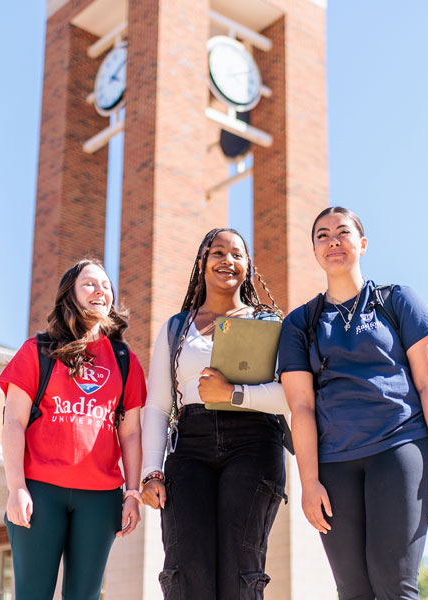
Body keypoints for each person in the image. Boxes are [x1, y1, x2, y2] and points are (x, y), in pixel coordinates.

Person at [277, 206, 428, 600]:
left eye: (342, 232)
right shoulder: (300, 323)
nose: (333, 241)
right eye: (322, 235)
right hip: (334, 461)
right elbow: (301, 408)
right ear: (314, 250)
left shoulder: (398, 301)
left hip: (400, 446)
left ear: (362, 243)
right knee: (353, 590)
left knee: (394, 583)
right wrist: (308, 482)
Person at [140, 228, 288, 600]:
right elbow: (158, 405)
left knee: (241, 571)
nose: (228, 260)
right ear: (202, 262)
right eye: (218, 252)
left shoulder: (268, 323)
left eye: (237, 254)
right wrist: (150, 472)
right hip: (189, 447)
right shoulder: (177, 327)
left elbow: (290, 398)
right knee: (186, 570)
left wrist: (234, 394)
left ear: (248, 265)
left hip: (254, 443)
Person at [0, 258, 146, 599]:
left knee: (85, 595)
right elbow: (13, 422)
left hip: (100, 498)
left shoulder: (125, 360)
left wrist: (132, 494)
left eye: (106, 285)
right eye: (90, 284)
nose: (101, 290)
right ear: (70, 294)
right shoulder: (38, 351)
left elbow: (131, 433)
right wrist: (16, 487)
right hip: (40, 491)